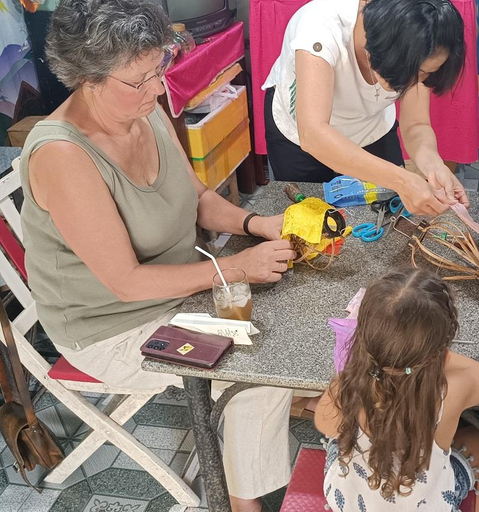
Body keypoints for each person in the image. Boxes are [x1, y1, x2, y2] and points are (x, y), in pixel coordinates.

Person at [20, 2, 295, 511]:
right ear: (87, 79)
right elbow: (125, 283)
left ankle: (279, 419)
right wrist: (237, 267)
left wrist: (257, 226)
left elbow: (198, 198)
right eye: (139, 80)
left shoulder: (144, 109)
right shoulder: (63, 154)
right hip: (113, 324)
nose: (157, 88)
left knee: (282, 317)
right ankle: (241, 503)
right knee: (260, 367)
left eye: (160, 68)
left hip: (179, 290)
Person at [262, 0, 469, 216]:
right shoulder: (319, 28)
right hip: (301, 134)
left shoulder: (419, 35)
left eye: (426, 73)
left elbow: (416, 124)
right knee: (310, 221)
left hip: (371, 126)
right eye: (415, 72)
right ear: (378, 49)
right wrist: (402, 180)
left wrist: (434, 166)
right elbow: (313, 134)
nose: (417, 82)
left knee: (390, 213)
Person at [315, 269, 479, 512]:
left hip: (350, 502)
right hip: (425, 504)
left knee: (337, 441)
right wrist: (436, 357)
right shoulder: (450, 392)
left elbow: (323, 424)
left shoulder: (345, 386)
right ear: (441, 351)